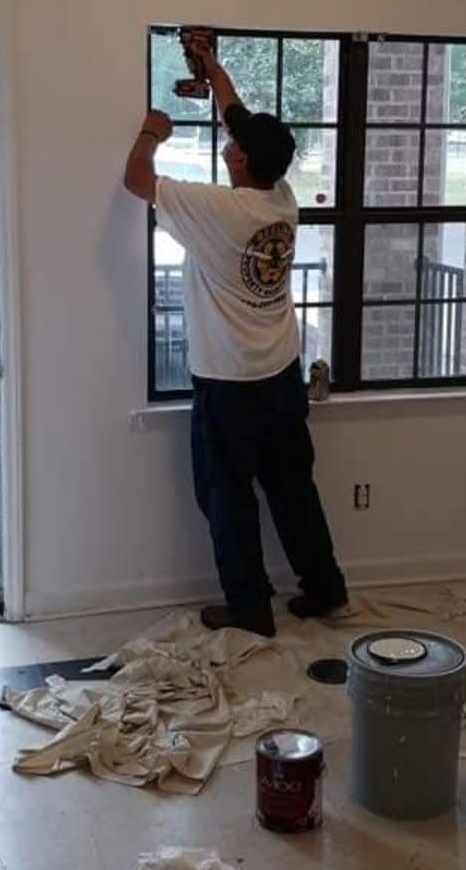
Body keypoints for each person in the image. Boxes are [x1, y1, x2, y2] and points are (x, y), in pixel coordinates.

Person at [123, 33, 348, 638]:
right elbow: (236, 112)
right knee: (292, 488)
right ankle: (325, 590)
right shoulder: (282, 198)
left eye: (233, 143)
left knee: (226, 495)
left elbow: (136, 180)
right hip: (280, 373)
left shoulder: (220, 211)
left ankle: (249, 606)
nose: (228, 141)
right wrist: (210, 65)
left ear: (241, 159)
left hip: (228, 383)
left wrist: (152, 130)